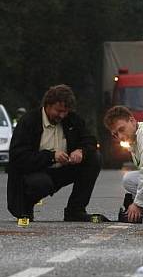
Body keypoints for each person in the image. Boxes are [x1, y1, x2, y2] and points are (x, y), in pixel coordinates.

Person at [6, 85, 102, 221]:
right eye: (58, 111)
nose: (62, 115)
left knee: (94, 158)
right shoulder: (29, 121)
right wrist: (51, 156)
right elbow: (18, 157)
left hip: (62, 170)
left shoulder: (72, 119)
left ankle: (75, 210)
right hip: (34, 172)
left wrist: (81, 151)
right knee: (40, 183)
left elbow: (90, 140)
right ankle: (26, 207)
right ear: (47, 105)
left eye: (66, 111)